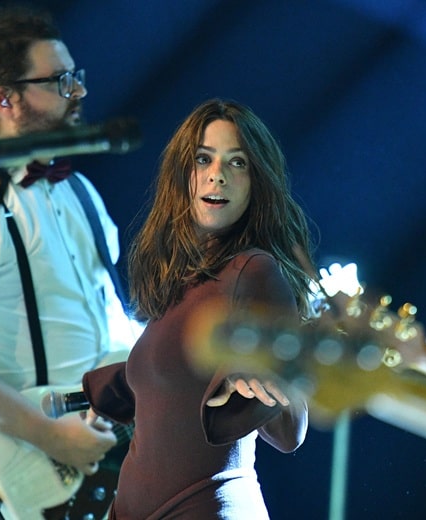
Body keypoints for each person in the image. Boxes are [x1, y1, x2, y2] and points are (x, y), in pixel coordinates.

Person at [0, 6, 136, 519]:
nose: (78, 92)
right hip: (25, 461)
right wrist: (52, 436)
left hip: (95, 447)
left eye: (76, 77)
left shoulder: (77, 189)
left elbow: (110, 324)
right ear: (5, 99)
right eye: (60, 81)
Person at [81, 98, 313, 519]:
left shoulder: (253, 270)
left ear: (256, 181)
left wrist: (259, 372)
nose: (217, 175)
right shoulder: (179, 282)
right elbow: (179, 383)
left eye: (237, 163)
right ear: (182, 174)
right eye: (203, 158)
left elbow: (291, 428)